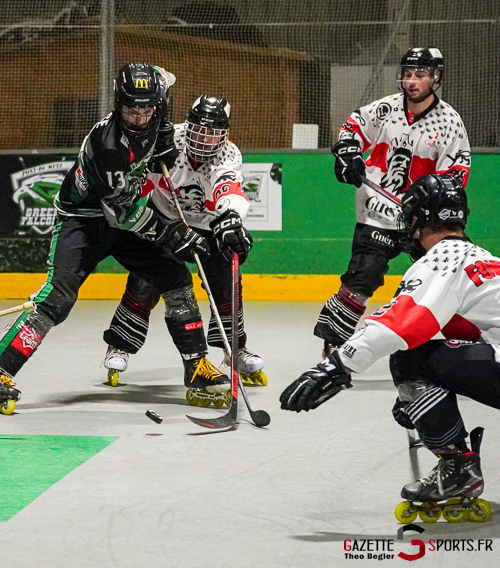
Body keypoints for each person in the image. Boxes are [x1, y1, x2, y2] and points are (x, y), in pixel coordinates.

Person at [0, 62, 228, 415]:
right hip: (83, 221)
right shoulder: (107, 146)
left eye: (148, 110)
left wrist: (164, 136)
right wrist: (171, 231)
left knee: (175, 277)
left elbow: (165, 78)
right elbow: (120, 213)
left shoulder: (156, 103)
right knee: (57, 298)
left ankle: (197, 365)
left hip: (120, 220)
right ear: (118, 104)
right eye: (131, 110)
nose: (140, 118)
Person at [281, 174, 494, 523]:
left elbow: (399, 323)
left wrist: (336, 366)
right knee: (424, 353)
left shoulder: (441, 259)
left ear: (418, 219)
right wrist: (422, 400)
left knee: (410, 358)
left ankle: (458, 467)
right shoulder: (481, 257)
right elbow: (468, 334)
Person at [100, 95, 264, 395]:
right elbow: (140, 180)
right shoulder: (167, 139)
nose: (203, 139)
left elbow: (228, 188)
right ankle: (119, 345)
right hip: (166, 219)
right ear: (187, 126)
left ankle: (235, 350)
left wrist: (231, 217)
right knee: (145, 281)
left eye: (212, 132)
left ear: (224, 134)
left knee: (226, 281)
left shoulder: (228, 154)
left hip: (209, 224)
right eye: (198, 130)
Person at [314, 47, 471, 356]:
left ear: (435, 77)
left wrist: (432, 206)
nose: (411, 81)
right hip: (379, 212)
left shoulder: (449, 122)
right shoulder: (385, 109)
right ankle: (333, 346)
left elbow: (456, 174)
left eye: (420, 75)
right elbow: (353, 127)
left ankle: (471, 336)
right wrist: (348, 153)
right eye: (408, 74)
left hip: (426, 221)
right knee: (363, 275)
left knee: (451, 275)